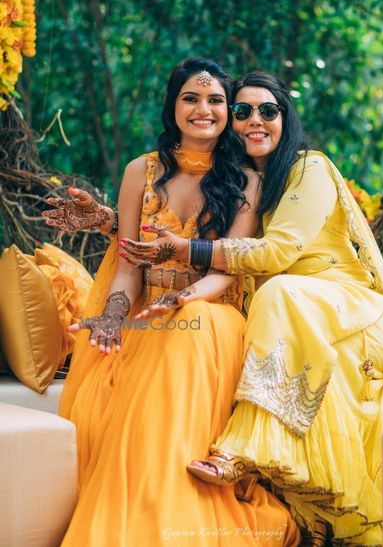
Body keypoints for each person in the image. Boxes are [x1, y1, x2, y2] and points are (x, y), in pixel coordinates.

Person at [119, 71, 383, 546]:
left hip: (346, 308)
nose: (254, 121)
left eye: (268, 110)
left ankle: (241, 449)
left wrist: (190, 251)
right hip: (288, 318)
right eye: (242, 111)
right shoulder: (238, 183)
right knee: (262, 307)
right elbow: (160, 228)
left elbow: (276, 252)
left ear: (285, 117)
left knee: (280, 289)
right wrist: (115, 225)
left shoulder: (310, 168)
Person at [46, 59, 299, 546]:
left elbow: (225, 273)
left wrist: (181, 298)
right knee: (107, 380)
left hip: (211, 317)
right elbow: (127, 266)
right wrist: (113, 317)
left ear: (227, 112)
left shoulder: (247, 180)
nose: (202, 109)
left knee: (194, 319)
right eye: (190, 98)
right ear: (172, 105)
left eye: (215, 101)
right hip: (147, 315)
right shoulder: (140, 171)